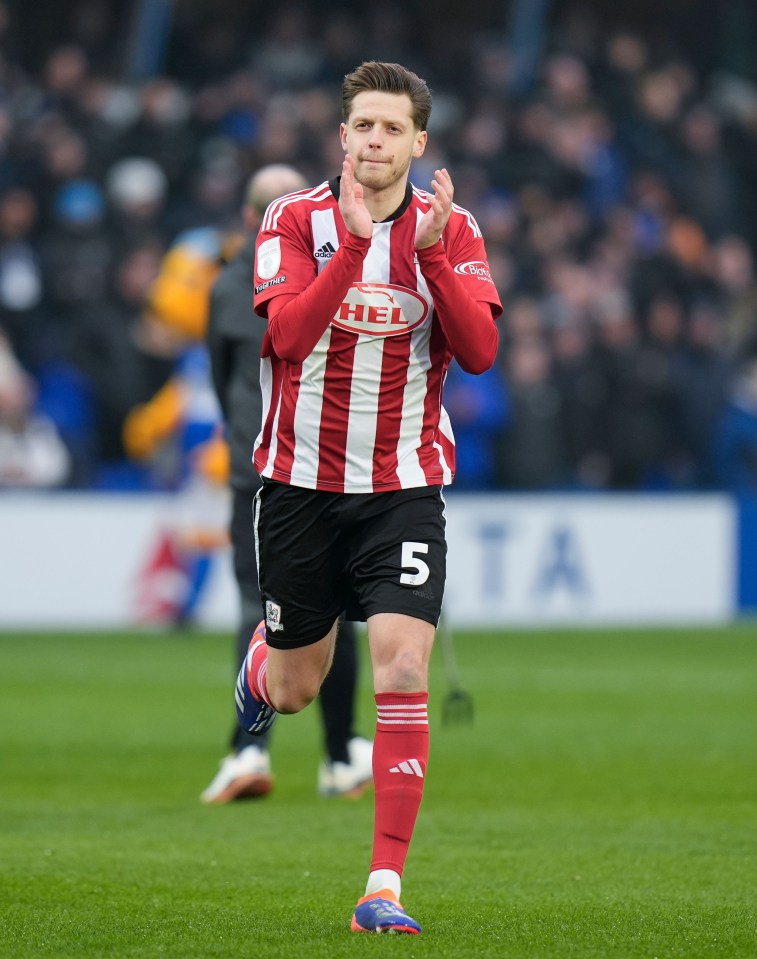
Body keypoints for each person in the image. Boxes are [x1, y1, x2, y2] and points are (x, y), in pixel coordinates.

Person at [235, 61, 502, 935]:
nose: (376, 141)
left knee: (400, 667)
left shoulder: (452, 228)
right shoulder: (294, 219)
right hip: (301, 485)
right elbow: (283, 336)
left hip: (403, 487)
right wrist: (352, 247)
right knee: (294, 689)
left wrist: (428, 253)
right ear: (342, 136)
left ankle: (381, 885)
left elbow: (479, 352)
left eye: (393, 128)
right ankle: (261, 659)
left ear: (419, 142)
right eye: (363, 126)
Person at [202, 165, 372, 803]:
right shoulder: (337, 265)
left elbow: (222, 380)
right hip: (331, 464)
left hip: (260, 469)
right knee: (338, 611)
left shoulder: (225, 284)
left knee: (259, 607)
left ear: (248, 217)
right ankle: (340, 755)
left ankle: (250, 749)